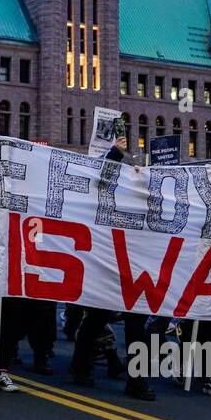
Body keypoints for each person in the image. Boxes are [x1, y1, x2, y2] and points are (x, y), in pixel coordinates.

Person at [67, 136, 155, 400]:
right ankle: (80, 367)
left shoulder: (148, 204)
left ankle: (136, 381)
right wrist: (115, 153)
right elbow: (101, 181)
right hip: (109, 264)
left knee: (135, 324)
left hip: (138, 268)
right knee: (95, 319)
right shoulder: (109, 197)